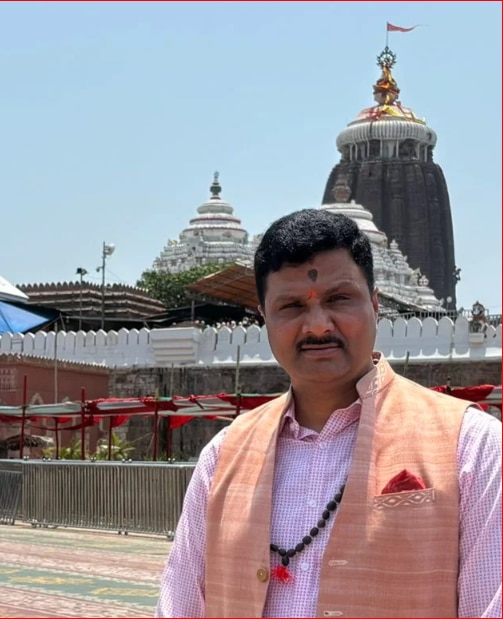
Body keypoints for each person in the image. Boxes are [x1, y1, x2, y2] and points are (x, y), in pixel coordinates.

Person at [155, 209, 501, 618]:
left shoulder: (472, 445)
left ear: (375, 304)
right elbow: (180, 603)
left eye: (339, 299)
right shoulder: (223, 455)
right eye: (292, 306)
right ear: (263, 318)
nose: (317, 326)